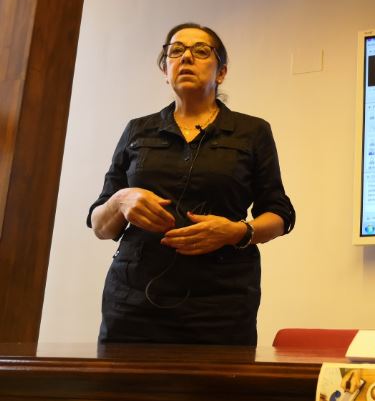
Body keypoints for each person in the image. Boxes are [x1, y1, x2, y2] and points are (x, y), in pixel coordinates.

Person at [87, 22, 295, 345]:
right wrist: (121, 200)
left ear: (221, 72)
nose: (186, 57)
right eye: (175, 51)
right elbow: (100, 226)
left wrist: (237, 232)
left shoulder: (253, 132)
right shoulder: (137, 131)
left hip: (221, 303)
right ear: (165, 70)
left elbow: (280, 214)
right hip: (133, 302)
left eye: (200, 51)